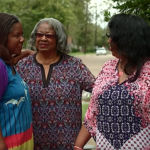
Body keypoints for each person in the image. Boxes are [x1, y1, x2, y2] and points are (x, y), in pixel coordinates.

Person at [15, 18, 95, 150]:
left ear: (59, 38)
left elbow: (100, 92)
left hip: (68, 144)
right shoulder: (22, 66)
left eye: (49, 35)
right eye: (39, 34)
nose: (43, 39)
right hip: (30, 144)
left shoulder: (74, 66)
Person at [74, 13, 150, 150]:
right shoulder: (108, 67)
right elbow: (92, 113)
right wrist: (78, 146)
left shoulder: (148, 70)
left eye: (112, 38)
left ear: (128, 40)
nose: (109, 41)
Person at [0, 13, 33, 150]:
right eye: (16, 36)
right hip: (9, 144)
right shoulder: (1, 65)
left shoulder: (8, 64)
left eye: (22, 35)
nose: (22, 39)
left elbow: (14, 58)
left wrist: (28, 53)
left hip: (23, 141)